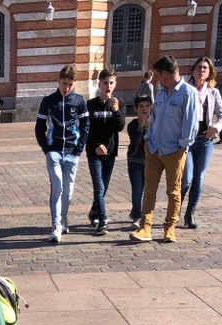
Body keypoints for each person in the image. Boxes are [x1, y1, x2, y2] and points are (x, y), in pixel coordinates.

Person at [128, 55, 197, 244]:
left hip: (174, 151)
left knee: (173, 192)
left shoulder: (188, 94)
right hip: (154, 149)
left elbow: (191, 125)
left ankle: (170, 228)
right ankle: (145, 228)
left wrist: (182, 147)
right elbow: (155, 118)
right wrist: (149, 140)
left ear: (165, 74)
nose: (157, 79)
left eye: (158, 75)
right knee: (149, 190)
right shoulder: (161, 93)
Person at [35, 65, 89, 243]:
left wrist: (78, 150)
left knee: (68, 191)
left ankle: (64, 219)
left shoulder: (79, 101)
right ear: (58, 81)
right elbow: (39, 128)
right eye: (64, 83)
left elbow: (86, 126)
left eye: (70, 84)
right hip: (55, 152)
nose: (66, 88)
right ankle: (56, 225)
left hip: (72, 152)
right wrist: (47, 149)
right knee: (57, 186)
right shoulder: (48, 101)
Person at [181, 56, 222, 230]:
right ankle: (176, 207)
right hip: (188, 141)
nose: (202, 70)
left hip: (205, 140)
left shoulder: (213, 92)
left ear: (210, 73)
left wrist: (215, 127)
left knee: (199, 179)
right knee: (186, 179)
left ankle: (190, 213)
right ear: (193, 70)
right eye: (199, 67)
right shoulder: (185, 90)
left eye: (205, 68)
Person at [85, 68, 125, 236]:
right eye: (105, 83)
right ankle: (103, 220)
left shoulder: (117, 102)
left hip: (110, 153)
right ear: (99, 84)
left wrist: (116, 111)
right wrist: (95, 145)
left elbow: (120, 127)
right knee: (99, 186)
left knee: (104, 187)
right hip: (94, 152)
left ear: (115, 84)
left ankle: (93, 212)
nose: (108, 86)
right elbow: (86, 129)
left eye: (111, 83)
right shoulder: (91, 104)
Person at [126, 95, 152, 229]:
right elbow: (136, 141)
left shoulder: (155, 123)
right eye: (141, 106)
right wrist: (142, 126)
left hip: (149, 162)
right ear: (136, 109)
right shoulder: (132, 125)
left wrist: (149, 126)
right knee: (137, 190)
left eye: (147, 106)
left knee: (146, 190)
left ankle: (137, 212)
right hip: (135, 161)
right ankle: (137, 216)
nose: (144, 109)